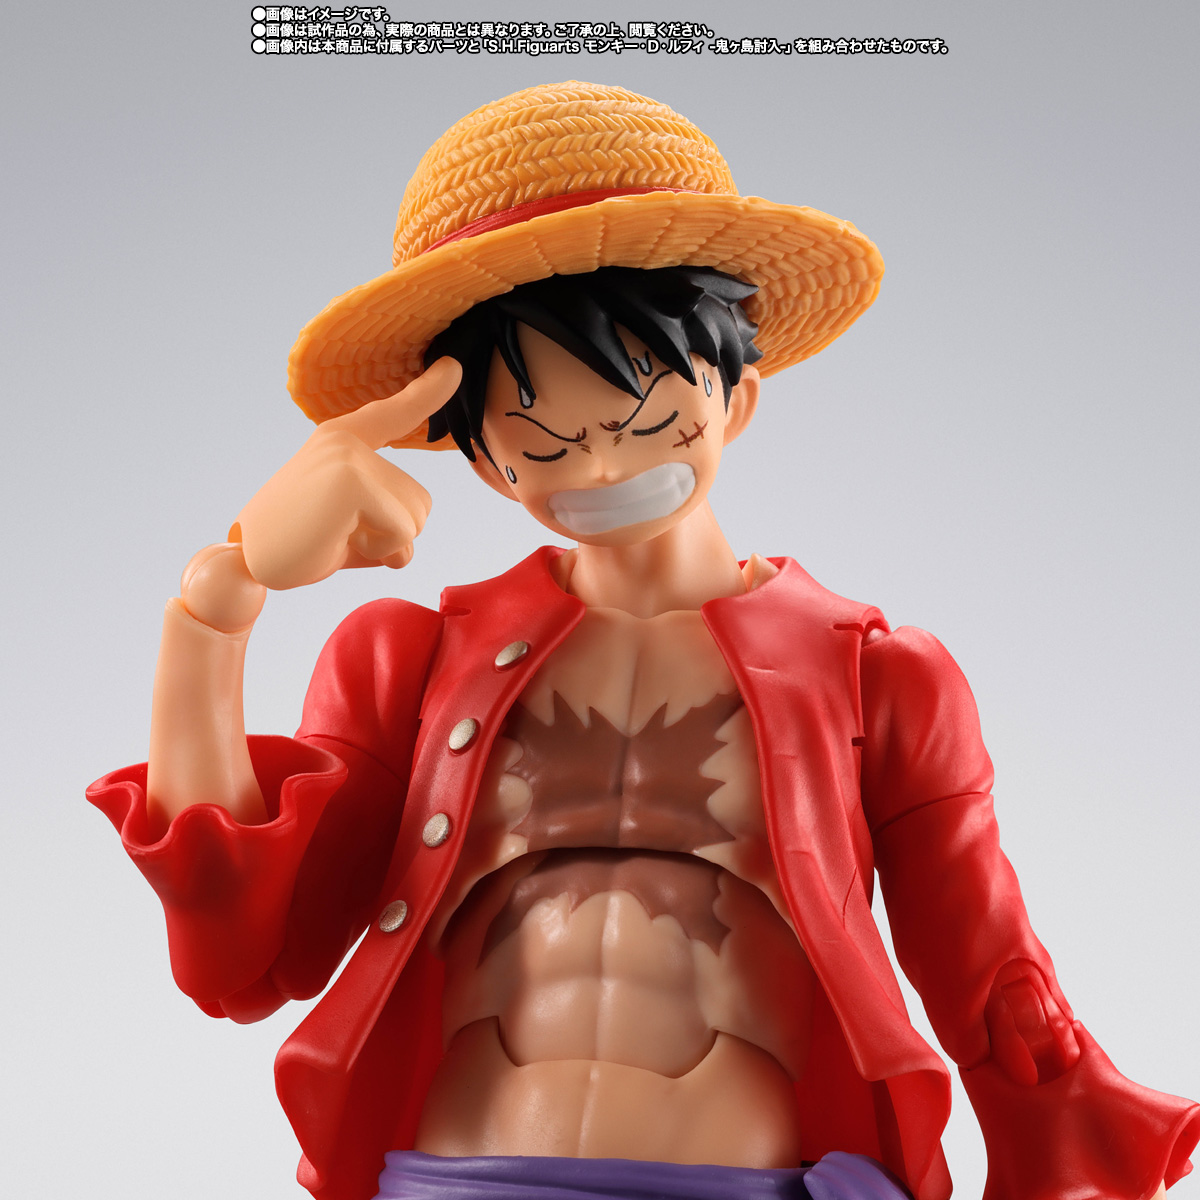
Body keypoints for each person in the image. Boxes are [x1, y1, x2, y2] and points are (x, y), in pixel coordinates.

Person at [88, 81, 1199, 1200]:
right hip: (455, 1175)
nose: (604, 468)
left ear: (739, 401)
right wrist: (218, 606)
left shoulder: (880, 678)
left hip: (743, 1176)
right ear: (480, 460)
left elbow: (987, 971)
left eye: (653, 421)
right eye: (542, 443)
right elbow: (244, 956)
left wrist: (1064, 1138)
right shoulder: (407, 661)